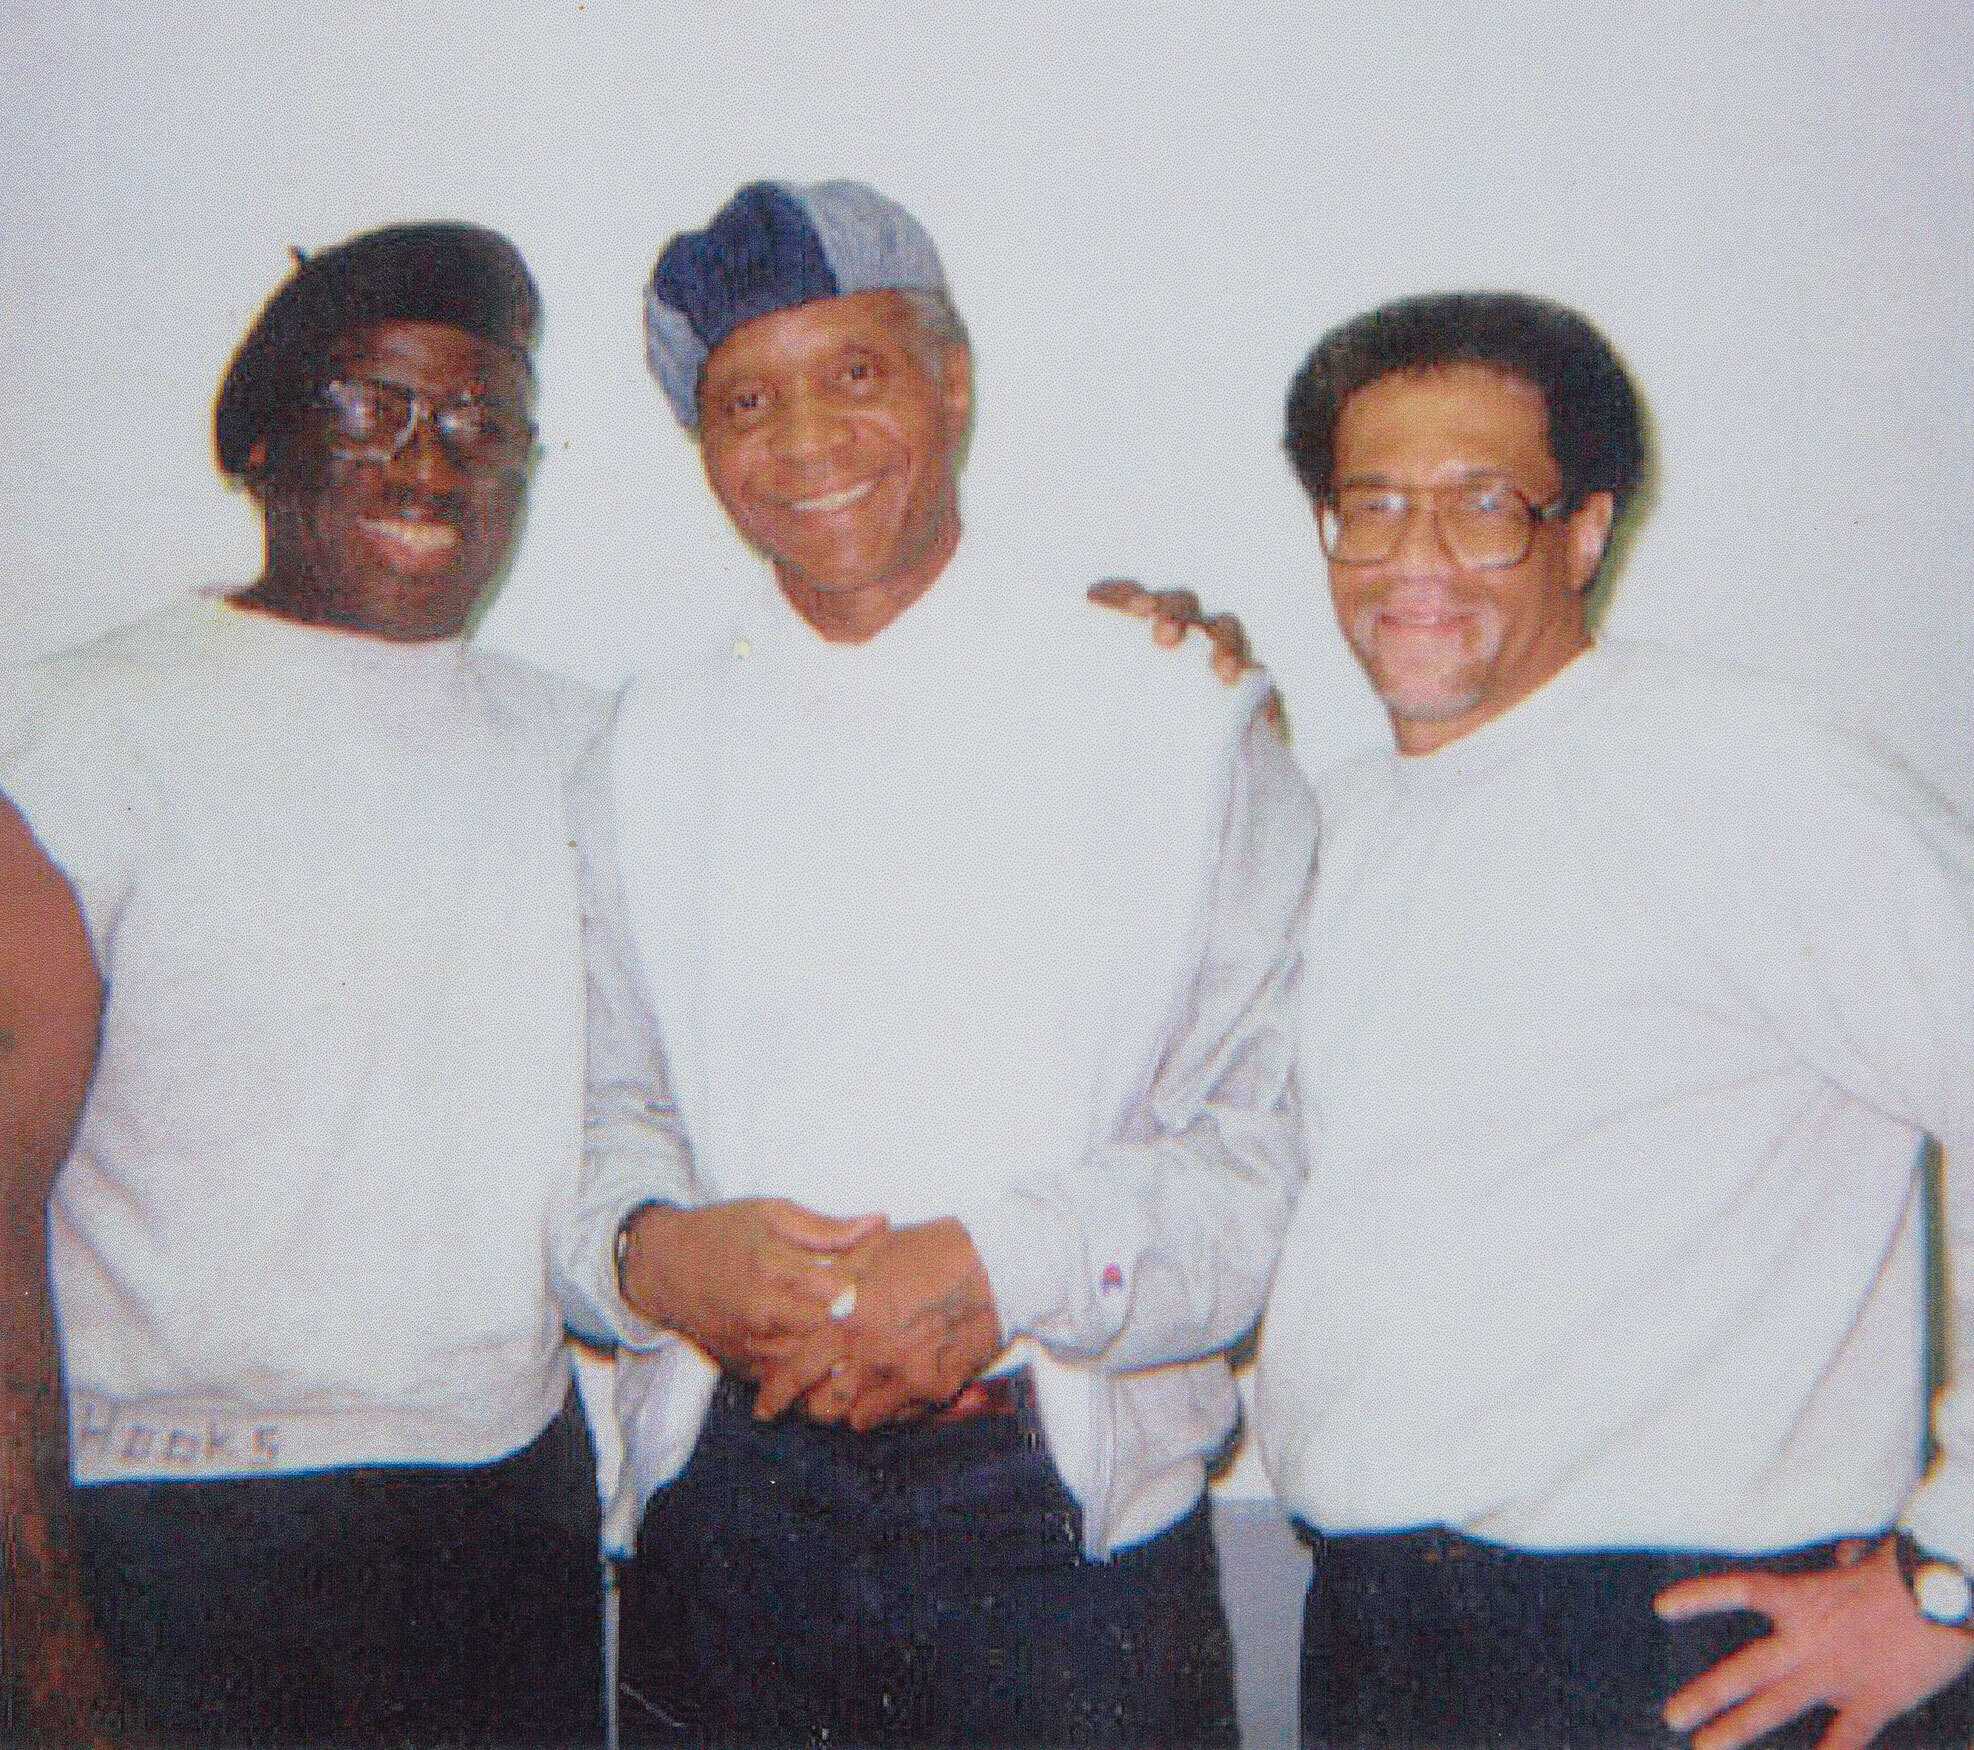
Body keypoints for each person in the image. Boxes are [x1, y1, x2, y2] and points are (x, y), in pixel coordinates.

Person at [589, 179, 1317, 1748]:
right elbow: (597, 1120)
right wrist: (653, 1253)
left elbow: (1259, 1167)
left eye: (854, 374)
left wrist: (1001, 1262)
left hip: (1055, 1514)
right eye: (744, 402)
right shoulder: (643, 743)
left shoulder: (1172, 713)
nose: (804, 442)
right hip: (731, 1504)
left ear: (953, 377)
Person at [1252, 290, 1974, 1748]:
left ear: (1582, 530)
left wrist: (1947, 1579)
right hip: (1376, 1635)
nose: (1414, 559)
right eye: (1369, 505)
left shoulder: (1753, 776)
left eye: (1479, 506)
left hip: (1677, 1647)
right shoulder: (1325, 825)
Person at [0, 222, 677, 1747]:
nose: (429, 463)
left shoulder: (589, 745)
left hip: (508, 1505)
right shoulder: (77, 740)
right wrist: (41, 1644)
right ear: (258, 444)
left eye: (480, 422)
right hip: (176, 1527)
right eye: (370, 407)